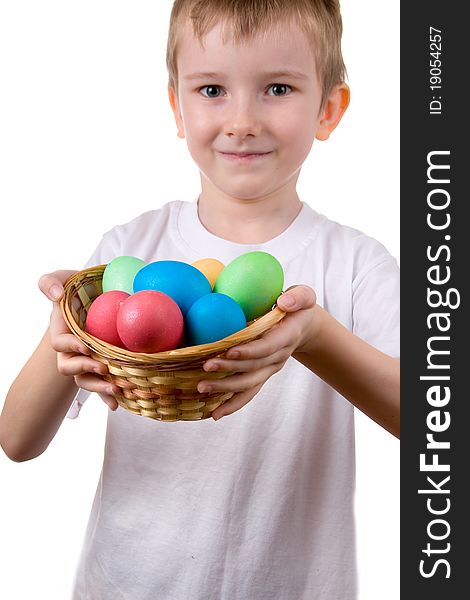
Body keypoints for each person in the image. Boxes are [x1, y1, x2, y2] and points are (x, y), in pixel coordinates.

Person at [0, 0, 399, 598]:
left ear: (329, 109)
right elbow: (18, 441)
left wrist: (314, 335)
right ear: (176, 108)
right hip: (128, 586)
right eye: (212, 89)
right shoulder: (128, 254)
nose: (242, 120)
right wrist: (60, 333)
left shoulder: (355, 264)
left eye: (278, 88)